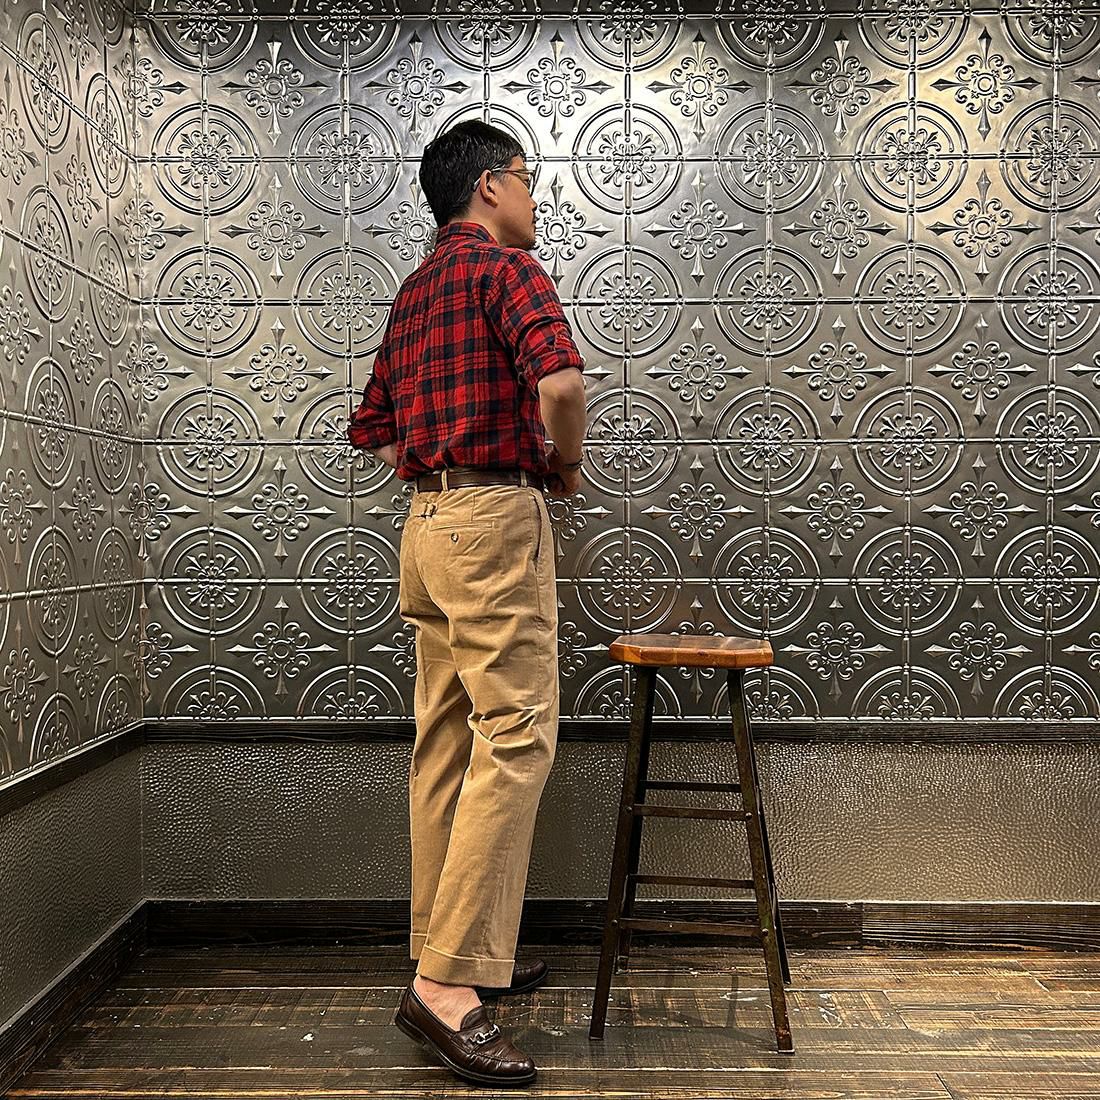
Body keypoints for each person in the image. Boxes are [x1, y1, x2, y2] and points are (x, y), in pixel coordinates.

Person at [346, 119, 587, 1087]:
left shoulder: (414, 292)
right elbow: (561, 382)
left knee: (446, 742)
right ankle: (445, 986)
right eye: (525, 177)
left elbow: (371, 426)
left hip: (425, 527)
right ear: (488, 185)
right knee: (516, 736)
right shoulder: (506, 269)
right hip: (491, 518)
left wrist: (436, 464)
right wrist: (563, 463)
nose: (532, 196)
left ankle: (451, 946)